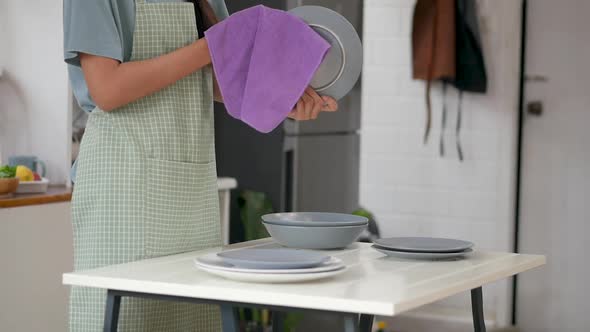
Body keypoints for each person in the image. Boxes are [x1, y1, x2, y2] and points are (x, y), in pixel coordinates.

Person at [63, 0, 338, 331]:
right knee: (128, 320)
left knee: (192, 318)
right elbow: (108, 88)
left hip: (189, 188)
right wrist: (214, 44)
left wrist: (279, 97)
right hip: (123, 190)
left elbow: (215, 78)